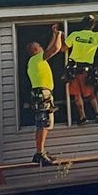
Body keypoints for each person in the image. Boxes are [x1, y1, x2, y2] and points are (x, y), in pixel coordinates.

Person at [63, 15, 98, 123]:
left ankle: (82, 117)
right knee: (91, 94)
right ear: (93, 25)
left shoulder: (75, 35)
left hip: (74, 68)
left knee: (77, 94)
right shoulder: (96, 36)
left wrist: (62, 37)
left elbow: (63, 48)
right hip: (86, 69)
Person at [26, 24, 64, 164]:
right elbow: (54, 49)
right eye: (39, 46)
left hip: (41, 93)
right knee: (43, 123)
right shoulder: (37, 59)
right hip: (42, 94)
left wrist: (53, 34)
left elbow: (49, 48)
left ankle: (40, 152)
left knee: (45, 123)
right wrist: (60, 34)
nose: (42, 47)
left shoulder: (35, 61)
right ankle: (39, 153)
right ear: (36, 50)